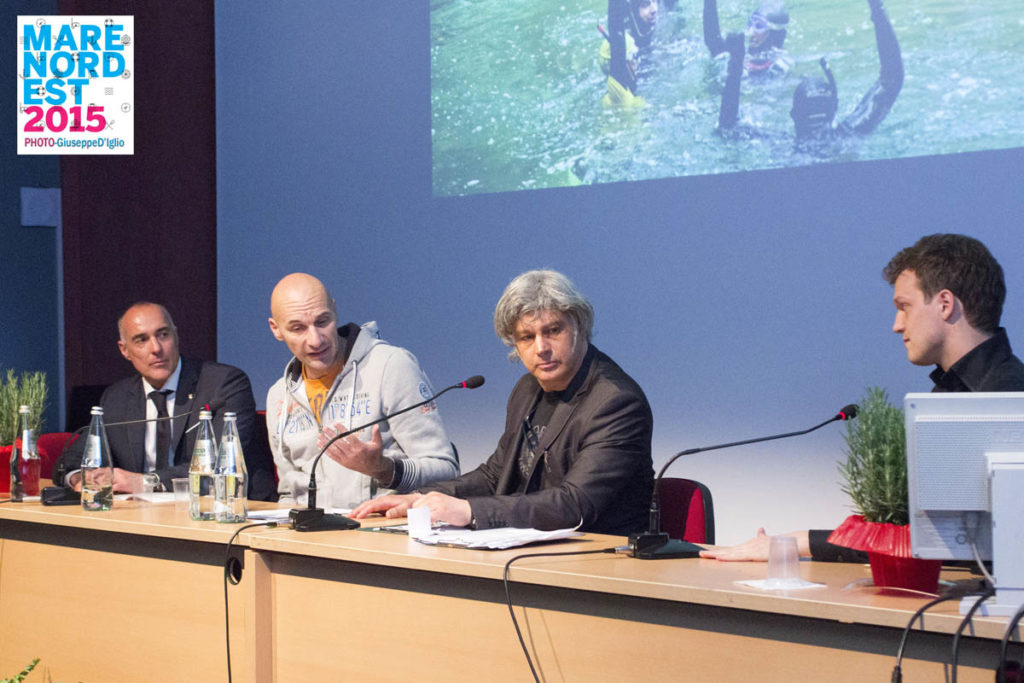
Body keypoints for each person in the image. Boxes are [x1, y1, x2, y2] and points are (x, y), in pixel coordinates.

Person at [701, 234, 1024, 562]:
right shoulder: (953, 392)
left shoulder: (1009, 398)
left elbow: (946, 545)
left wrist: (800, 543)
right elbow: (919, 535)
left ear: (944, 304)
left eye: (904, 307)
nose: (897, 325)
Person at [350, 270, 654, 536]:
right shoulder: (527, 389)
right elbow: (495, 474)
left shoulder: (616, 402)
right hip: (536, 551)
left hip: (602, 561)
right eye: (526, 337)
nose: (541, 348)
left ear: (579, 325)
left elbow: (574, 505)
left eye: (553, 331)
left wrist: (469, 511)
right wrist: (419, 497)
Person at [265, 273, 458, 509]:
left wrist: (383, 469)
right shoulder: (279, 396)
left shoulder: (391, 366)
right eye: (298, 328)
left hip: (382, 534)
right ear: (276, 329)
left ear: (335, 311)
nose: (315, 340)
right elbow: (288, 494)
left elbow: (446, 470)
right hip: (309, 540)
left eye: (323, 321)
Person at [54, 302, 277, 499]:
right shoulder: (117, 398)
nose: (156, 349)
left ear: (176, 336)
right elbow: (74, 459)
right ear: (125, 350)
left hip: (225, 511)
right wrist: (80, 478)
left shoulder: (223, 384)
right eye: (141, 340)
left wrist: (145, 482)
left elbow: (219, 464)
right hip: (144, 521)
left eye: (163, 335)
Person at [718, 0, 902, 144]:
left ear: (793, 115)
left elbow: (727, 126)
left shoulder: (782, 145)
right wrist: (877, 7)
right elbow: (891, 79)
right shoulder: (849, 135)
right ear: (834, 109)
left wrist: (735, 65)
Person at [704, 0, 792, 77]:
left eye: (759, 26)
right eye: (750, 23)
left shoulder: (778, 66)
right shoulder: (737, 48)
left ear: (773, 34)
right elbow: (713, 41)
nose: (751, 31)